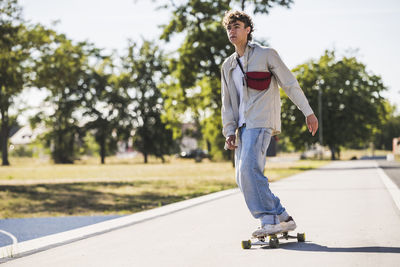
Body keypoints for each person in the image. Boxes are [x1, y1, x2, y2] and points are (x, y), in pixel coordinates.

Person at [220, 10, 318, 237]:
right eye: (229, 28)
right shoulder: (228, 65)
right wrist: (229, 130)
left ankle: (268, 218)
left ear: (248, 30)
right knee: (241, 178)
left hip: (261, 121)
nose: (232, 31)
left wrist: (309, 112)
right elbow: (227, 102)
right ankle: (283, 217)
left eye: (236, 26)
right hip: (242, 127)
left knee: (249, 170)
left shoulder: (266, 55)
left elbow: (290, 83)